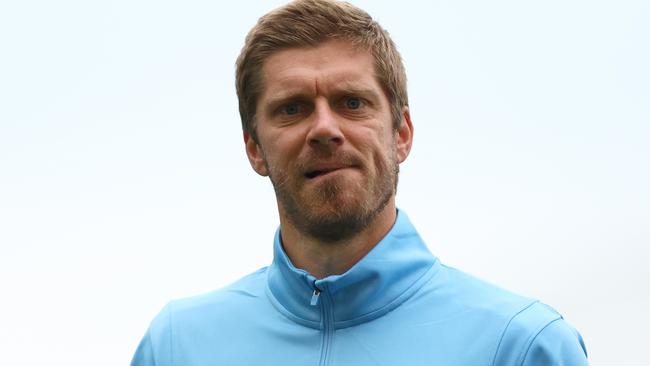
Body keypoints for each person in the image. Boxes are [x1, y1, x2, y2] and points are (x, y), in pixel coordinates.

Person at [131, 0, 589, 365]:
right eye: (292, 108)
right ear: (254, 148)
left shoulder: (521, 346)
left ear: (402, 134)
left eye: (352, 102)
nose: (324, 128)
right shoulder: (176, 347)